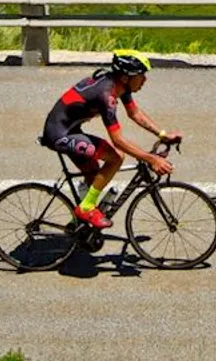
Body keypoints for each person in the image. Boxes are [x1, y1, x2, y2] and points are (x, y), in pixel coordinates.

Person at [41, 49, 181, 229]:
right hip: (59, 135)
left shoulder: (120, 85)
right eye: (141, 75)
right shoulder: (106, 95)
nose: (144, 80)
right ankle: (86, 208)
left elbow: (135, 113)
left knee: (95, 174)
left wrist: (162, 134)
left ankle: (80, 225)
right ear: (126, 77)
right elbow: (118, 141)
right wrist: (151, 158)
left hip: (69, 128)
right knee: (115, 157)